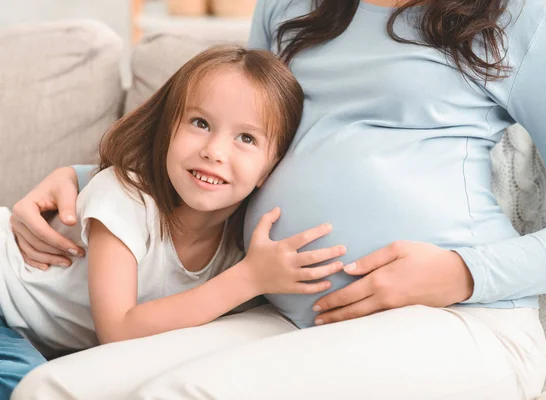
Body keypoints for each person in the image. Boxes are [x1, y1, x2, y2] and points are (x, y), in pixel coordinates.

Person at [9, 0, 546, 398]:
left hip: (458, 323)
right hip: (291, 316)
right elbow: (239, 139)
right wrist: (90, 177)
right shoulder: (292, 5)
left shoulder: (522, 14)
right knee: (52, 391)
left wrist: (462, 273)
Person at [0, 44, 348, 398]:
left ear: (271, 168)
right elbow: (116, 332)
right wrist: (249, 279)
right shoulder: (123, 197)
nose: (214, 150)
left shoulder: (241, 245)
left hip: (34, 337)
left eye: (246, 138)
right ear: (168, 130)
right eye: (201, 123)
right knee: (22, 387)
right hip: (4, 298)